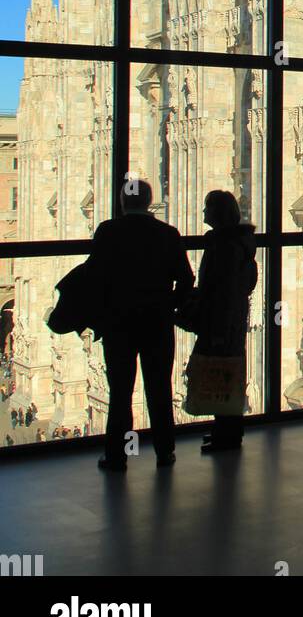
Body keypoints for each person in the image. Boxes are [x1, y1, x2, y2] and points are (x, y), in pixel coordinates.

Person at [86, 178, 194, 471]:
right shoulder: (168, 234)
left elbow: (93, 277)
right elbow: (186, 279)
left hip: (119, 323)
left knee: (120, 391)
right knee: (159, 388)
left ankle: (117, 456)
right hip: (156, 323)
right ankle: (164, 452)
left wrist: (100, 312)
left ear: (122, 202)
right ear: (148, 202)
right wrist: (170, 305)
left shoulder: (108, 231)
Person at [192, 190, 257, 454]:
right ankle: (226, 432)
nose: (204, 212)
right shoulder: (236, 242)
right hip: (231, 319)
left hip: (223, 321)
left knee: (222, 374)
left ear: (218, 213)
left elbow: (224, 288)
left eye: (208, 207)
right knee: (225, 373)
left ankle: (228, 436)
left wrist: (218, 327)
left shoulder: (226, 246)